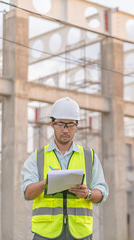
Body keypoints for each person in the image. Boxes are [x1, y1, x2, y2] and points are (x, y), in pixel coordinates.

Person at [21, 97, 108, 240]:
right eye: (61, 124)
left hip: (80, 234)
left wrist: (88, 193)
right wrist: (46, 182)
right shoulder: (37, 157)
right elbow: (27, 193)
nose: (65, 130)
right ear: (52, 124)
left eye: (71, 125)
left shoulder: (89, 157)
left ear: (77, 126)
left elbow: (102, 193)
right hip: (45, 234)